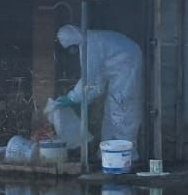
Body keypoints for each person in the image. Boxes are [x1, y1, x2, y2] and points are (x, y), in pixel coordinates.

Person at [48, 25, 143, 154]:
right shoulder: (88, 42)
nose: (72, 52)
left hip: (127, 64)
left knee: (122, 108)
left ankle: (126, 156)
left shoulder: (90, 45)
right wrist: (82, 98)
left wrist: (72, 97)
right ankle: (108, 155)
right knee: (112, 110)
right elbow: (97, 82)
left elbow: (88, 78)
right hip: (119, 66)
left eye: (71, 48)